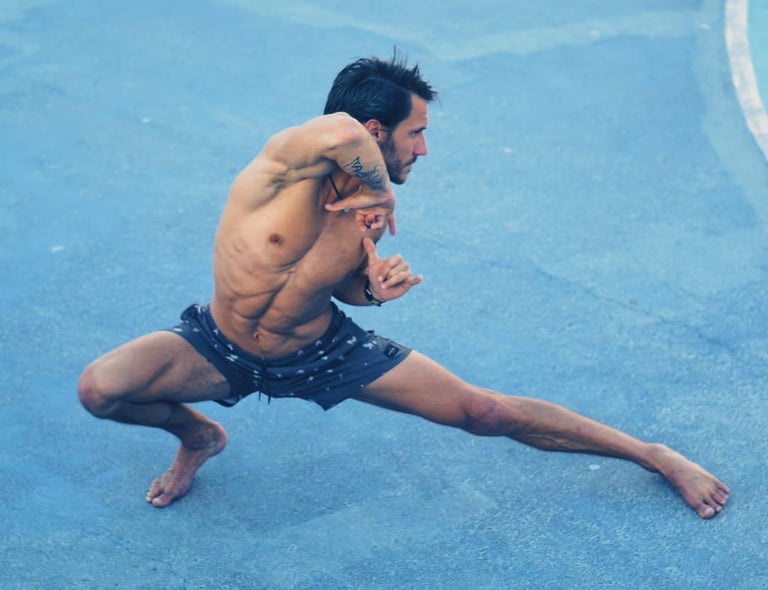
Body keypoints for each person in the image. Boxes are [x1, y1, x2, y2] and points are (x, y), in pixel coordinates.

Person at [77, 52, 729, 519]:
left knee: (486, 413)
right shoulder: (282, 165)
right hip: (220, 343)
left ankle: (654, 455)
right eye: (417, 132)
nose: (424, 149)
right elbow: (335, 130)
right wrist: (377, 187)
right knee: (100, 391)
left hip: (316, 349)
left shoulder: (365, 213)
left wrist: (373, 290)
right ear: (376, 132)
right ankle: (199, 437)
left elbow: (341, 289)